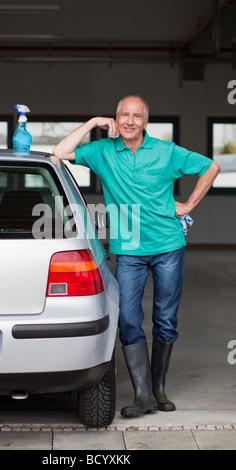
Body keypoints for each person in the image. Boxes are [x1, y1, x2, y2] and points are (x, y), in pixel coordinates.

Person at [53, 95, 221, 418]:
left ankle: (158, 388)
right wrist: (93, 124)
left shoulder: (166, 152)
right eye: (123, 115)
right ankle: (142, 394)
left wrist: (186, 206)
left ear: (146, 122)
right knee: (128, 319)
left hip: (169, 246)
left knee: (165, 319)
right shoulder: (103, 152)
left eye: (136, 116)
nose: (130, 121)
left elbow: (211, 167)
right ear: (116, 119)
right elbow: (59, 154)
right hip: (128, 249)